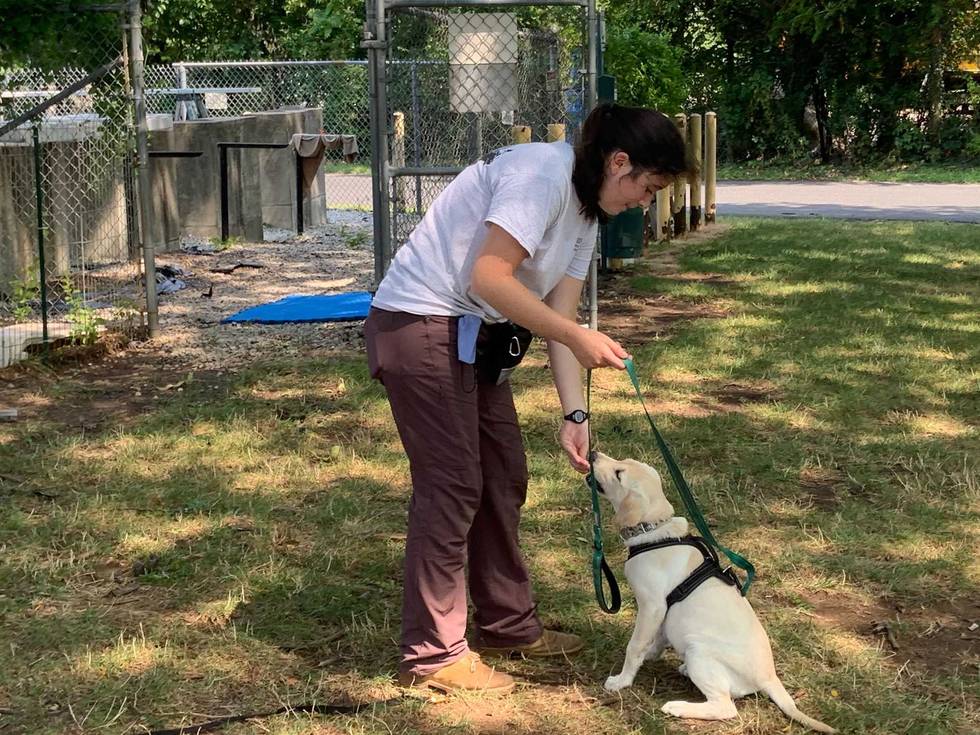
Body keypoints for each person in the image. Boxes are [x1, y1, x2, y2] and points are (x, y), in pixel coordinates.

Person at [365, 103, 690, 695]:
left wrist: (575, 413)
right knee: (455, 483)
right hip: (419, 322)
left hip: (474, 334)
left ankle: (507, 623)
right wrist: (574, 336)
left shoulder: (588, 213)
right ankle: (434, 655)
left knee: (503, 476)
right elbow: (488, 278)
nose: (645, 202)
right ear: (619, 162)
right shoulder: (541, 174)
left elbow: (559, 316)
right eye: (648, 187)